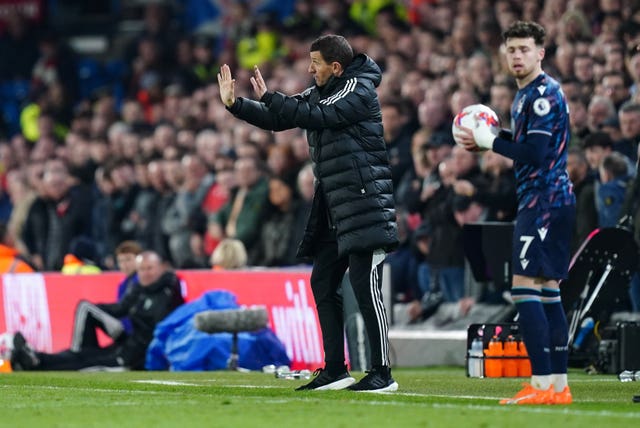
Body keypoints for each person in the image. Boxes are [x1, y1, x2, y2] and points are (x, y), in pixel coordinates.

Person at [218, 34, 399, 391]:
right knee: (322, 282)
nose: (308, 68)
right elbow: (280, 117)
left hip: (364, 204)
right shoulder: (322, 91)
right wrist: (236, 105)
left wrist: (272, 96)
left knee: (365, 285)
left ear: (335, 67)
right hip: (335, 206)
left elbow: (317, 115)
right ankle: (335, 369)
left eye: (314, 63)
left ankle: (382, 372)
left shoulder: (358, 90)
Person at [456, 21, 575, 405]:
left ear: (541, 52)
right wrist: (495, 138)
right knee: (547, 291)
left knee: (524, 288)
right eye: (512, 50)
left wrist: (492, 142)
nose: (517, 56)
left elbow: (537, 156)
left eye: (525, 49)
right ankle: (557, 385)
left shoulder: (540, 96)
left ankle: (541, 384)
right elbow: (527, 147)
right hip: (552, 200)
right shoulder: (526, 96)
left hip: (541, 201)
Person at [10, 251, 184, 371]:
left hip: (135, 357)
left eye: (150, 268)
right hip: (127, 345)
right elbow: (121, 308)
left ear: (162, 267)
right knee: (85, 354)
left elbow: (157, 326)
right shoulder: (140, 289)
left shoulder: (168, 291)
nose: (145, 274)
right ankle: (34, 357)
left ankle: (36, 361)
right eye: (141, 270)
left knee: (86, 363)